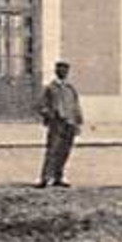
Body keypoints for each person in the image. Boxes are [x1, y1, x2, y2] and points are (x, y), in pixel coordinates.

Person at [38, 60, 83, 188]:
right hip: (56, 124)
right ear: (56, 71)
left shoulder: (70, 88)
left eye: (65, 70)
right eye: (60, 70)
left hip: (70, 123)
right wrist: (50, 115)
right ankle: (45, 178)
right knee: (52, 151)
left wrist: (78, 123)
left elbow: (76, 106)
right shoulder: (50, 88)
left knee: (65, 151)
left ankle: (59, 177)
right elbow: (42, 106)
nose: (63, 72)